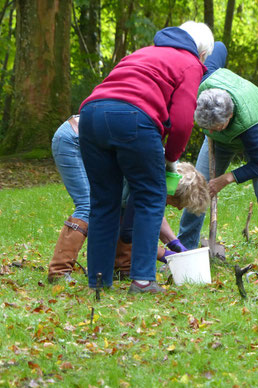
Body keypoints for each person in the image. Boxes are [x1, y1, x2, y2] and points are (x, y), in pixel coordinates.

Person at [78, 22, 214, 293]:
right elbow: (183, 119)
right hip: (134, 118)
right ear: (201, 54)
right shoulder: (190, 63)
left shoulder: (142, 52)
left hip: (90, 115)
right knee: (150, 196)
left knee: (105, 202)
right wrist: (171, 159)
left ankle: (98, 281)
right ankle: (142, 280)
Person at [47, 117, 208, 283]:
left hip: (94, 138)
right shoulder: (150, 170)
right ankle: (58, 272)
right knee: (88, 205)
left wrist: (175, 243)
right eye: (178, 204)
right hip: (74, 141)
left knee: (120, 207)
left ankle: (122, 267)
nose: (179, 209)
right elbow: (134, 231)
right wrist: (165, 254)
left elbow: (140, 211)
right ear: (172, 193)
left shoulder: (168, 173)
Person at [177, 42, 258, 265]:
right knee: (198, 183)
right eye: (204, 127)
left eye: (214, 128)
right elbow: (219, 46)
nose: (207, 131)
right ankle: (185, 247)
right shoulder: (204, 81)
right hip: (222, 140)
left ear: (229, 118)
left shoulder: (249, 123)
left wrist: (226, 179)